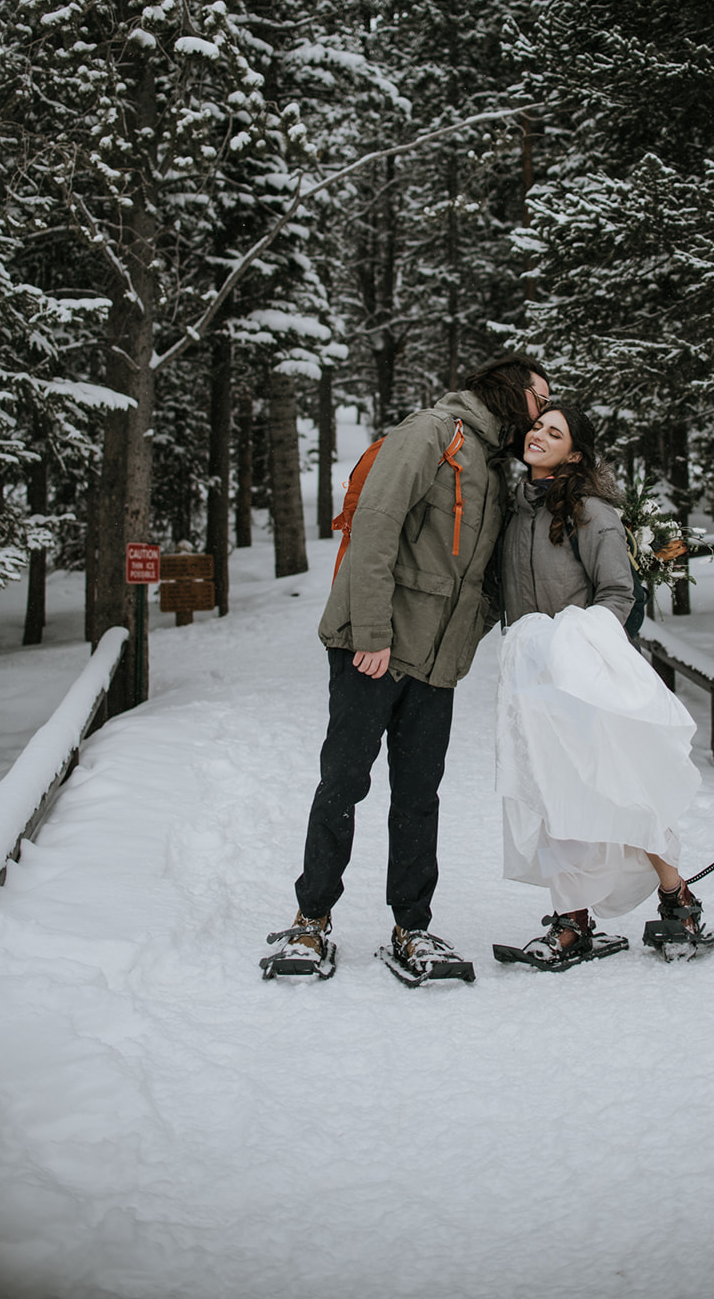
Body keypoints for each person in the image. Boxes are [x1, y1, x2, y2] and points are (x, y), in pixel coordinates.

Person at [261, 353, 551, 984]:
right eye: (538, 398)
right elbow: (375, 529)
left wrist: (468, 637)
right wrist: (370, 632)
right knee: (344, 782)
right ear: (507, 391)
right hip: (375, 647)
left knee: (419, 796)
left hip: (436, 661)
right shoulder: (430, 433)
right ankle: (311, 921)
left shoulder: (502, 469)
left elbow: (493, 575)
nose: (542, 412)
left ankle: (412, 926)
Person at [494, 403, 714, 970]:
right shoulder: (516, 510)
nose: (539, 435)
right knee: (552, 795)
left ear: (574, 453)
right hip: (533, 682)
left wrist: (575, 650)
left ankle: (678, 896)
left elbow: (618, 594)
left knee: (622, 788)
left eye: (555, 431)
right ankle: (573, 921)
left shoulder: (592, 513)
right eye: (536, 426)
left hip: (587, 676)